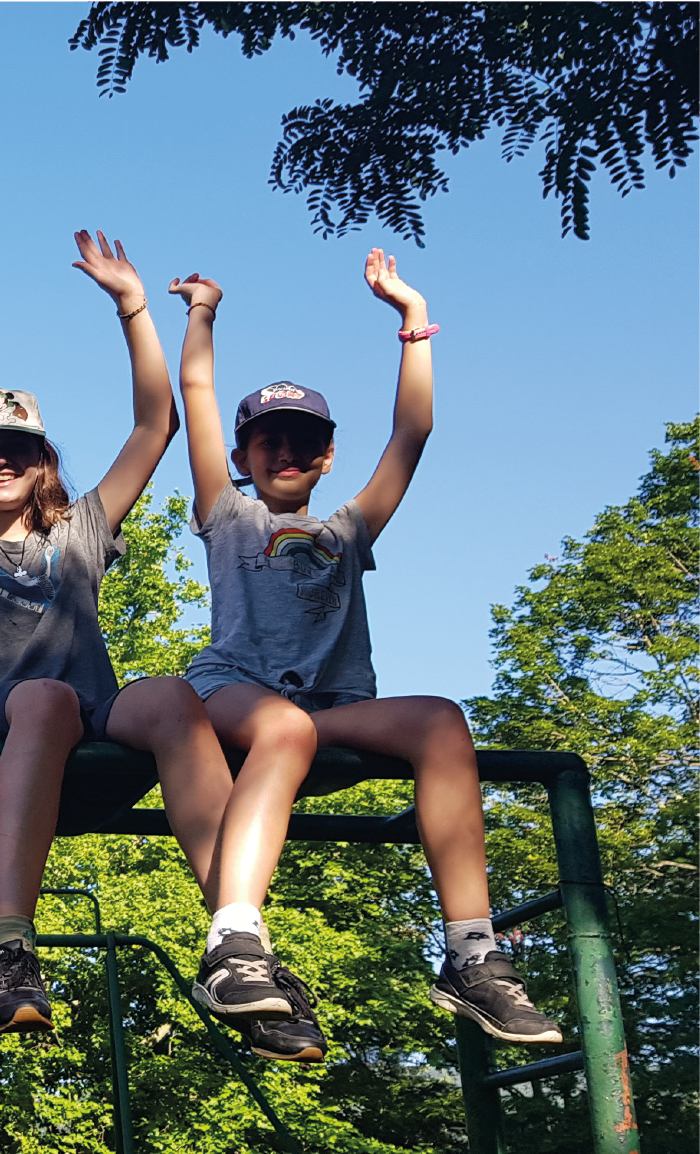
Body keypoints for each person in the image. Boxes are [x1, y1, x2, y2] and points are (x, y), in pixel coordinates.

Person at [0, 224, 242, 1040]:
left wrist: (133, 309)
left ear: (41, 461)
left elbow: (154, 428)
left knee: (171, 697)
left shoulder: (81, 529)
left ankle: (238, 939)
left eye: (16, 449)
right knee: (44, 698)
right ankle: (7, 948)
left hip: (85, 744)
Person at [173, 252, 562, 1057]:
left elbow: (411, 432)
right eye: (268, 441)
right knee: (282, 726)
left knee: (441, 720)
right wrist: (201, 313)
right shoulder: (226, 513)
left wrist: (411, 320)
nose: (285, 452)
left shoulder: (348, 529)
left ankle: (471, 954)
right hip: (237, 692)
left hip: (332, 709)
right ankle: (234, 941)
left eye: (304, 442)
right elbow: (197, 393)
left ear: (326, 457)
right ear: (242, 458)